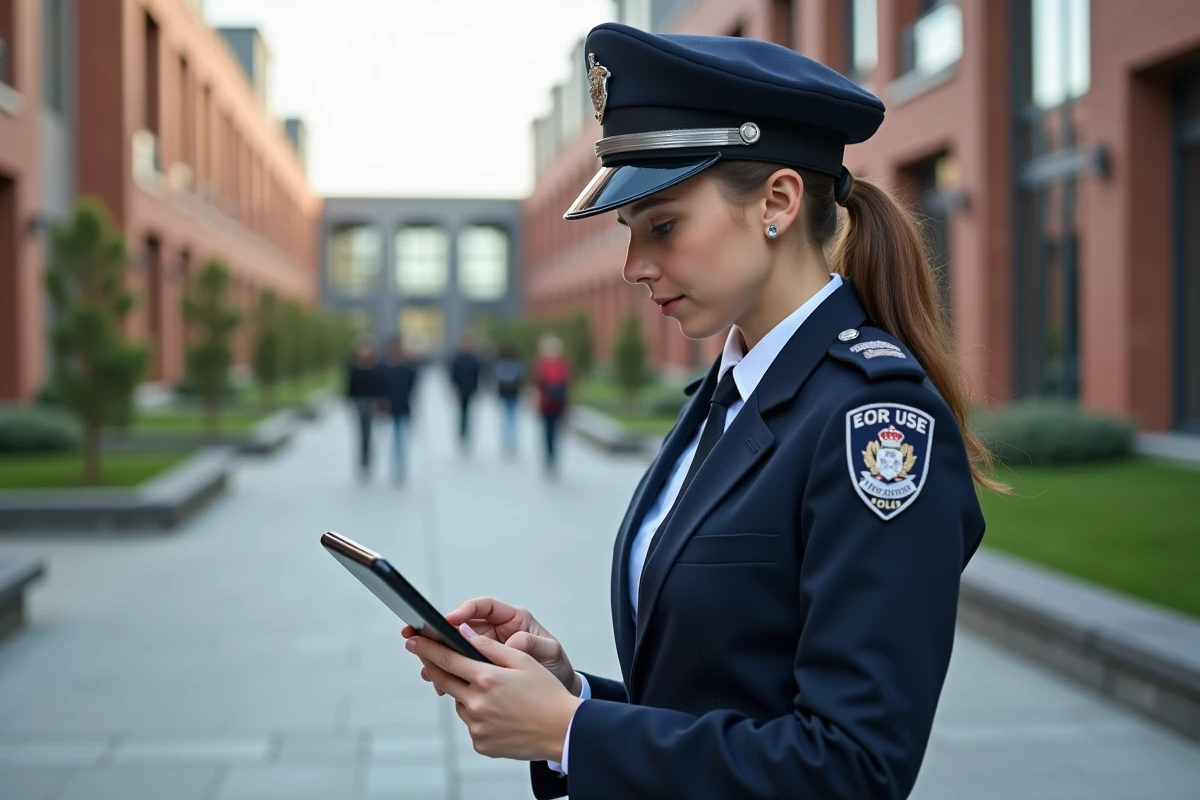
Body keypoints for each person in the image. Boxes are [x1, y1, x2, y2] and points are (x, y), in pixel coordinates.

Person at [402, 22, 1003, 800]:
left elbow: (851, 769)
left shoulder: (874, 423)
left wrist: (570, 732)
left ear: (778, 202)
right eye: (629, 232)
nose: (633, 266)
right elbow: (716, 697)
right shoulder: (729, 395)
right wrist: (570, 696)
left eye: (664, 225)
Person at [344, 337, 384, 482]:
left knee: (367, 432)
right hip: (359, 401)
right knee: (363, 432)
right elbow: (350, 386)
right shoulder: (353, 366)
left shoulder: (376, 366)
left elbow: (379, 384)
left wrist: (380, 400)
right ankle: (363, 461)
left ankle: (367, 460)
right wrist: (348, 401)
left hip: (371, 401)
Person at [381, 335, 419, 482]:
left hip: (403, 406)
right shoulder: (384, 367)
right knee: (392, 438)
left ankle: (400, 467)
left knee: (400, 437)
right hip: (388, 407)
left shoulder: (407, 368)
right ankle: (396, 466)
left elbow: (412, 387)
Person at [532, 334, 571, 477]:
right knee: (547, 431)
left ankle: (553, 456)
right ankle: (549, 457)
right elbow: (536, 384)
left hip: (558, 404)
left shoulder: (562, 364)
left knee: (555, 432)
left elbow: (567, 384)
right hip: (546, 404)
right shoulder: (541, 364)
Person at [448, 331, 482, 451]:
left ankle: (467, 432)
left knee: (469, 412)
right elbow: (453, 374)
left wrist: (476, 388)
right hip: (460, 390)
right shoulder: (457, 358)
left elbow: (477, 374)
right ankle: (462, 432)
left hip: (470, 389)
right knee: (462, 412)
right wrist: (454, 388)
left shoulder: (473, 358)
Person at [493, 344, 525, 457]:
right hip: (514, 394)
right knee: (512, 418)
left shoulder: (500, 364)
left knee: (505, 418)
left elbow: (497, 379)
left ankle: (506, 441)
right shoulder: (517, 364)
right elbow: (521, 379)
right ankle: (512, 441)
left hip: (504, 393)